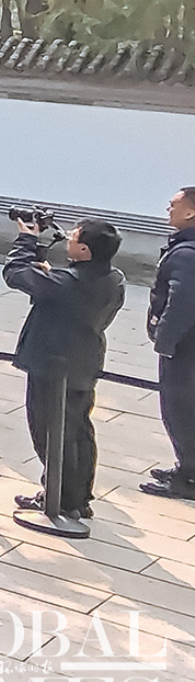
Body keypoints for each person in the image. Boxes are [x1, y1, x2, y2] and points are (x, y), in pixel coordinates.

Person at [4, 216, 125, 520]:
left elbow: (15, 273)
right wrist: (51, 274)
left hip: (52, 364)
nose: (68, 238)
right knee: (79, 431)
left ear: (85, 249)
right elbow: (68, 290)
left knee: (49, 432)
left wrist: (27, 240)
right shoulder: (114, 279)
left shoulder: (65, 284)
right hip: (85, 361)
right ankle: (78, 497)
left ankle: (59, 499)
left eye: (74, 237)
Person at [145, 187, 195, 500]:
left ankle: (188, 478)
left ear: (190, 212)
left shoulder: (187, 253)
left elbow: (183, 300)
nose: (168, 209)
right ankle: (185, 467)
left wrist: (164, 339)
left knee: (180, 410)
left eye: (174, 205)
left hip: (185, 348)